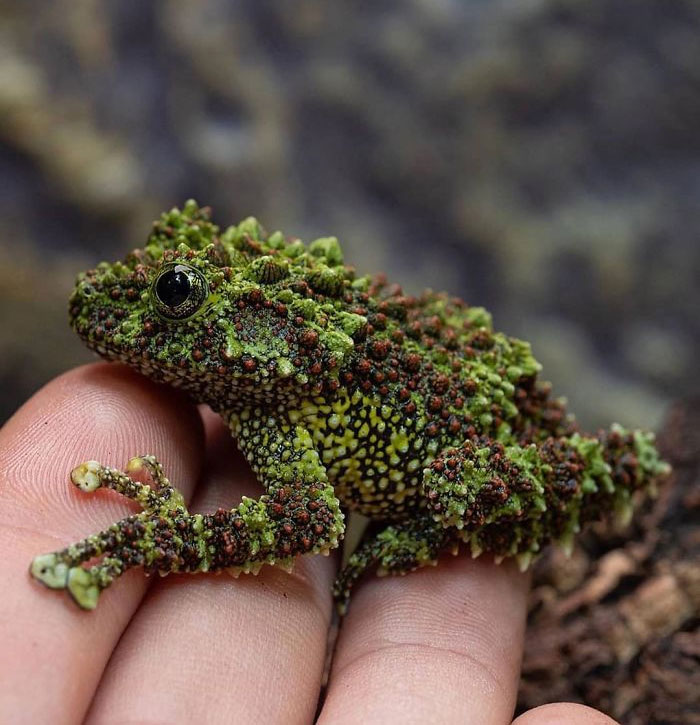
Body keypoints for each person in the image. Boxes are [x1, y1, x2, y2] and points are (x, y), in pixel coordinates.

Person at [0, 364, 618, 724]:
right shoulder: (263, 397)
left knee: (457, 489)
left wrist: (169, 538)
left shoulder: (278, 409)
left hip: (481, 438)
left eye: (174, 297)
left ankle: (437, 525)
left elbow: (311, 521)